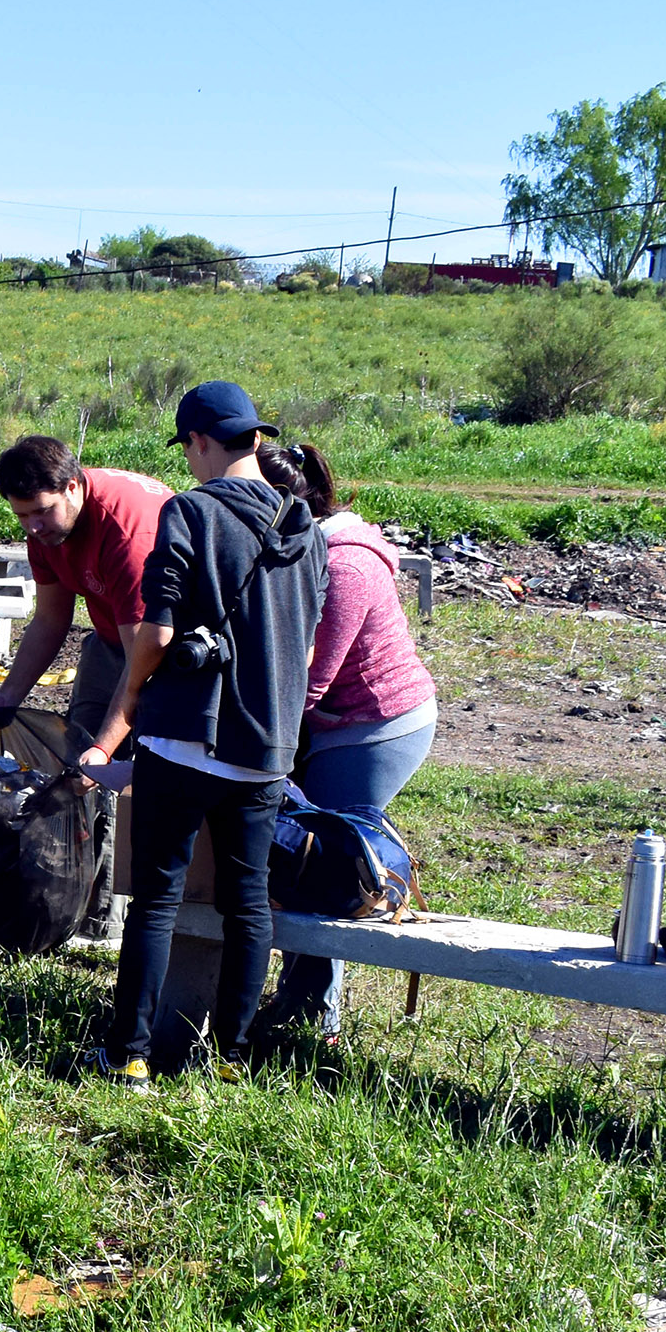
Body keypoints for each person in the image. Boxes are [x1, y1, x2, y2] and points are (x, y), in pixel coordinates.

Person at [81, 383, 327, 1087]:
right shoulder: (303, 522)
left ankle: (129, 1055)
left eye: (187, 448)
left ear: (198, 442)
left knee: (155, 899)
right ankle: (232, 1059)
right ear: (255, 437)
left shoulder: (189, 510)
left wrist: (131, 696)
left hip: (184, 738)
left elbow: (156, 630)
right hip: (266, 749)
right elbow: (306, 645)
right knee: (248, 903)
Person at [252, 441, 437, 1041]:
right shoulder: (300, 548)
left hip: (373, 724)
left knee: (320, 856)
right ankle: (301, 998)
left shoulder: (345, 565)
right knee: (297, 852)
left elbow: (310, 680)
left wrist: (247, 733)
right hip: (329, 719)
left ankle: (311, 1012)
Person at [0, 436, 176, 748]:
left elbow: (145, 654)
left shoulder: (127, 537)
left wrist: (103, 749)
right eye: (22, 515)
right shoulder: (48, 528)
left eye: (41, 511)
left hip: (169, 647)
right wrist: (8, 696)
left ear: (72, 487)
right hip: (113, 636)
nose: (32, 527)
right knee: (77, 750)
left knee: (144, 762)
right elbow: (49, 619)